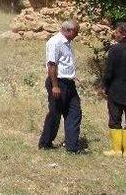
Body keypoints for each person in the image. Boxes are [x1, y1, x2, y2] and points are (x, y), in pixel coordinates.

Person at [38, 19, 82, 153]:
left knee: (75, 112)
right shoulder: (55, 42)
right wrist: (55, 86)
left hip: (69, 82)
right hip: (58, 83)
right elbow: (52, 65)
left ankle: (72, 147)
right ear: (69, 30)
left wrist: (72, 76)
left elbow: (66, 63)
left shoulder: (68, 43)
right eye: (76, 31)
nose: (77, 34)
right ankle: (45, 143)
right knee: (55, 114)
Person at [102, 22, 126, 157]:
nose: (115, 34)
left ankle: (116, 150)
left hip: (116, 90)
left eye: (117, 32)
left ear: (124, 34)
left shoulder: (114, 50)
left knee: (115, 119)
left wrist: (105, 86)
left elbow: (109, 72)